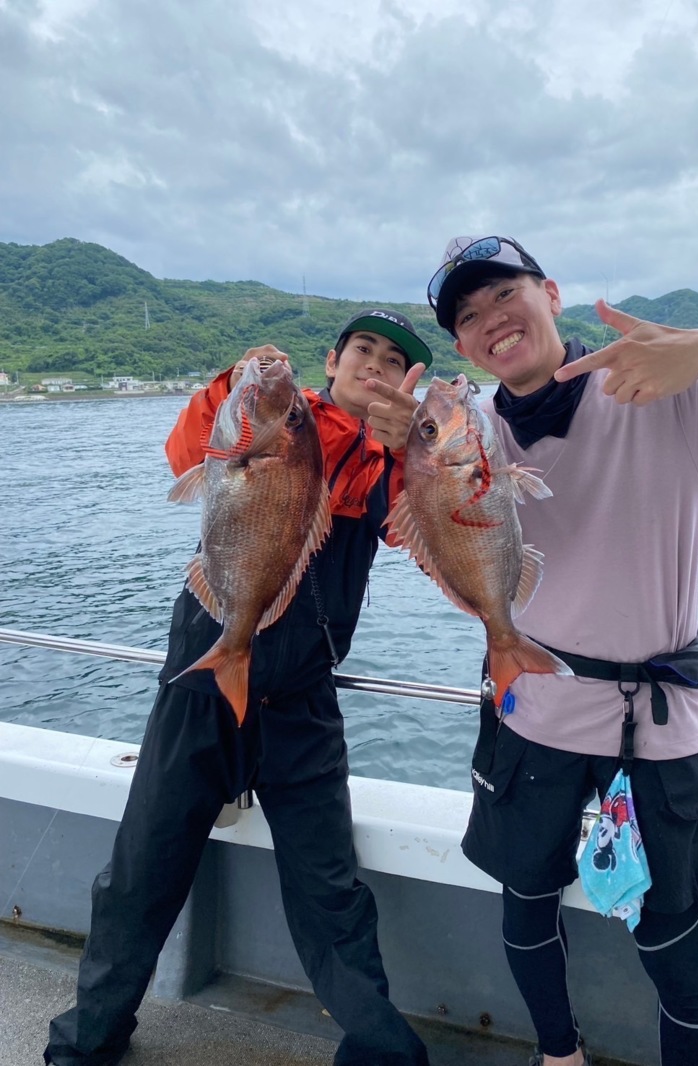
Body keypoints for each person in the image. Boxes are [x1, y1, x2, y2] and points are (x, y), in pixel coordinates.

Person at [423, 235, 698, 1066]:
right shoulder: (468, 437)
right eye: (469, 316)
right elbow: (418, 528)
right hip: (533, 708)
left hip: (659, 724)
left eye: (504, 294)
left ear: (551, 294)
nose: (492, 320)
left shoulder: (665, 390)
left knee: (672, 943)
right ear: (463, 349)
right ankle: (559, 1055)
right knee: (525, 905)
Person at [44, 308, 433, 1066]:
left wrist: (410, 447)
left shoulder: (385, 459)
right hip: (201, 685)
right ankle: (87, 1043)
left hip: (301, 703)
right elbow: (186, 453)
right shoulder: (269, 415)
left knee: (330, 893)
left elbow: (422, 533)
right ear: (332, 360)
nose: (376, 365)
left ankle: (383, 1054)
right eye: (364, 349)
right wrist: (236, 382)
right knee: (141, 873)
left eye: (394, 360)